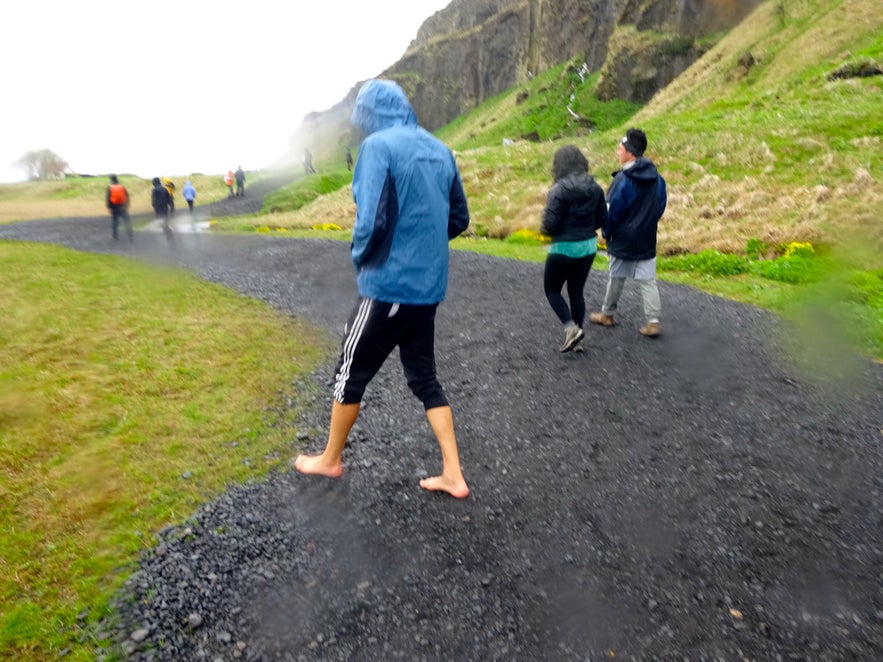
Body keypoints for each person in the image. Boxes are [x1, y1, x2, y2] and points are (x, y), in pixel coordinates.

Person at [293, 78, 471, 499]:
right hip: (427, 288)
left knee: (348, 372)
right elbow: (459, 218)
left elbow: (370, 220)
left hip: (388, 287)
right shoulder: (440, 149)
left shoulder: (378, 148)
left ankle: (330, 459)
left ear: (371, 114)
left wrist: (361, 257)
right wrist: (424, 247)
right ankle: (453, 474)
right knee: (425, 377)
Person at [590, 128, 667, 337]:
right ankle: (653, 321)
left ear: (630, 152)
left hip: (622, 239)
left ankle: (608, 314)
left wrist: (606, 232)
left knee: (616, 275)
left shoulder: (622, 180)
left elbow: (611, 211)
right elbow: (660, 205)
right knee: (648, 279)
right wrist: (648, 222)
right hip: (647, 238)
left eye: (620, 148)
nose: (618, 152)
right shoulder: (657, 179)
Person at [540, 145, 607, 353]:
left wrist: (547, 231)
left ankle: (570, 328)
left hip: (563, 246)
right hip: (588, 246)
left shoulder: (558, 189)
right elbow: (602, 218)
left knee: (551, 290)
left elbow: (549, 224)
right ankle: (578, 336)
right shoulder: (595, 187)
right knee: (576, 290)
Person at [106, 174, 133, 241]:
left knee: (115, 222)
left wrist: (110, 208)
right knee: (127, 221)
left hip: (115, 207)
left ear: (111, 180)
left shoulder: (110, 187)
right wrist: (127, 206)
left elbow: (108, 199)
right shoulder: (122, 187)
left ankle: (115, 236)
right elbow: (127, 197)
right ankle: (130, 236)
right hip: (123, 207)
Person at [151, 176, 174, 244]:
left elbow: (153, 202)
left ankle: (169, 234)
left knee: (162, 223)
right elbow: (169, 200)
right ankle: (168, 234)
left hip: (158, 209)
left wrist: (154, 206)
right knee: (164, 222)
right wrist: (171, 208)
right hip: (165, 209)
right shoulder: (165, 189)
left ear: (154, 183)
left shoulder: (154, 190)